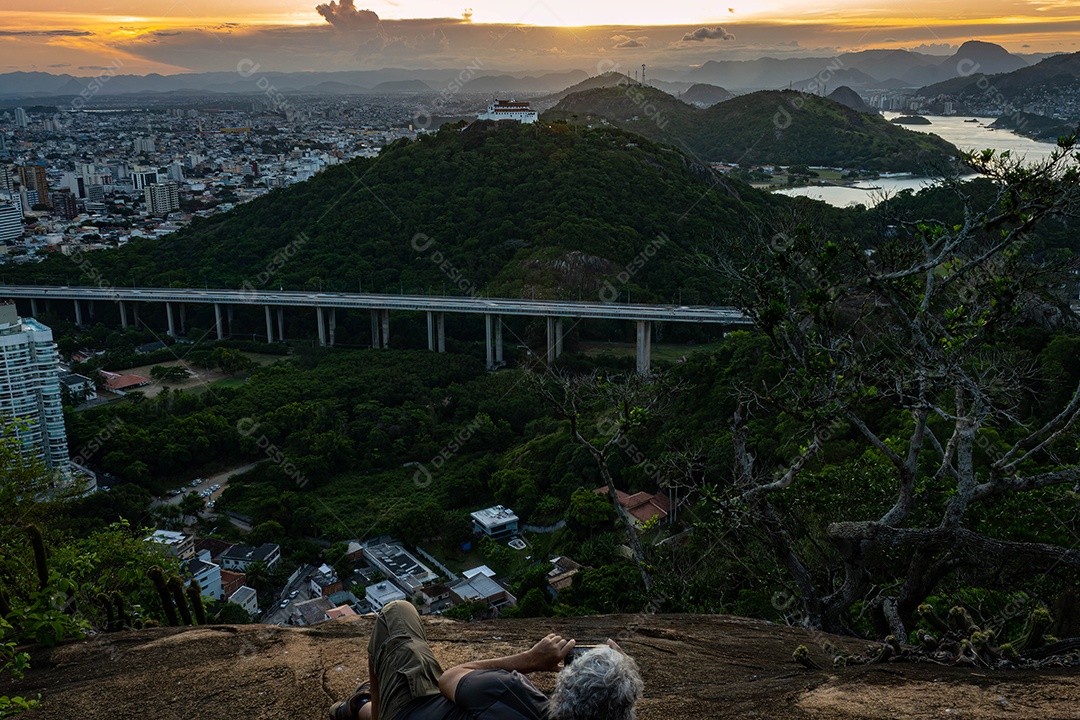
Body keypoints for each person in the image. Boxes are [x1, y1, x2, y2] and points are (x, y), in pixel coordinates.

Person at [330, 600, 642, 720]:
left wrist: (531, 660)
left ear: (566, 684)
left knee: (397, 612)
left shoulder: (509, 692)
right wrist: (622, 678)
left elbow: (448, 678)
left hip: (417, 711)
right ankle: (358, 707)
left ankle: (360, 708)